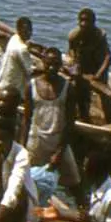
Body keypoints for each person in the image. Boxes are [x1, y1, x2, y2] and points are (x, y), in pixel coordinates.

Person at [25, 53, 78, 185]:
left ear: (61, 66)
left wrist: (60, 151)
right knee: (27, 180)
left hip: (58, 141)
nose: (51, 68)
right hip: (36, 142)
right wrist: (22, 147)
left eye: (56, 64)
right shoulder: (31, 86)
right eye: (49, 64)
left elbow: (70, 123)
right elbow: (26, 119)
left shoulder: (68, 88)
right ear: (43, 63)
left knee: (75, 182)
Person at [65, 8, 111, 124]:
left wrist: (98, 75)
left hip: (98, 67)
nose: (84, 23)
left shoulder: (100, 35)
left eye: (87, 21)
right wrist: (74, 66)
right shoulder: (74, 35)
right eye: (81, 20)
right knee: (80, 93)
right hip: (83, 67)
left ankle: (109, 119)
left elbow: (108, 57)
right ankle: (83, 116)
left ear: (93, 22)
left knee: (104, 95)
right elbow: (71, 51)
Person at [0, 17, 35, 99]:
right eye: (26, 31)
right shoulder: (22, 49)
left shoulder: (14, 38)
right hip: (11, 87)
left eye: (30, 30)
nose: (29, 33)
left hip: (0, 82)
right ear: (19, 30)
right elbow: (30, 72)